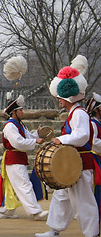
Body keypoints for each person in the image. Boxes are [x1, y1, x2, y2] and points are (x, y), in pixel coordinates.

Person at [35, 66, 99, 237]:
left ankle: (92, 233)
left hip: (80, 164)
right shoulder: (74, 113)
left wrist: (62, 139)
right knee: (61, 197)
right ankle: (54, 230)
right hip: (71, 164)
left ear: (68, 97)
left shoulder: (80, 114)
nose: (59, 101)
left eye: (61, 98)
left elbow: (83, 136)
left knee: (83, 201)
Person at [0, 94, 48, 221]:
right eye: (20, 110)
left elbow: (28, 136)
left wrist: (37, 135)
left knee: (15, 186)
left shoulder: (19, 125)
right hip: (14, 158)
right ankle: (35, 212)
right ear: (14, 112)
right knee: (24, 184)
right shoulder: (10, 126)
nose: (22, 112)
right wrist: (36, 141)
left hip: (17, 158)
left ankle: (6, 211)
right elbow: (18, 142)